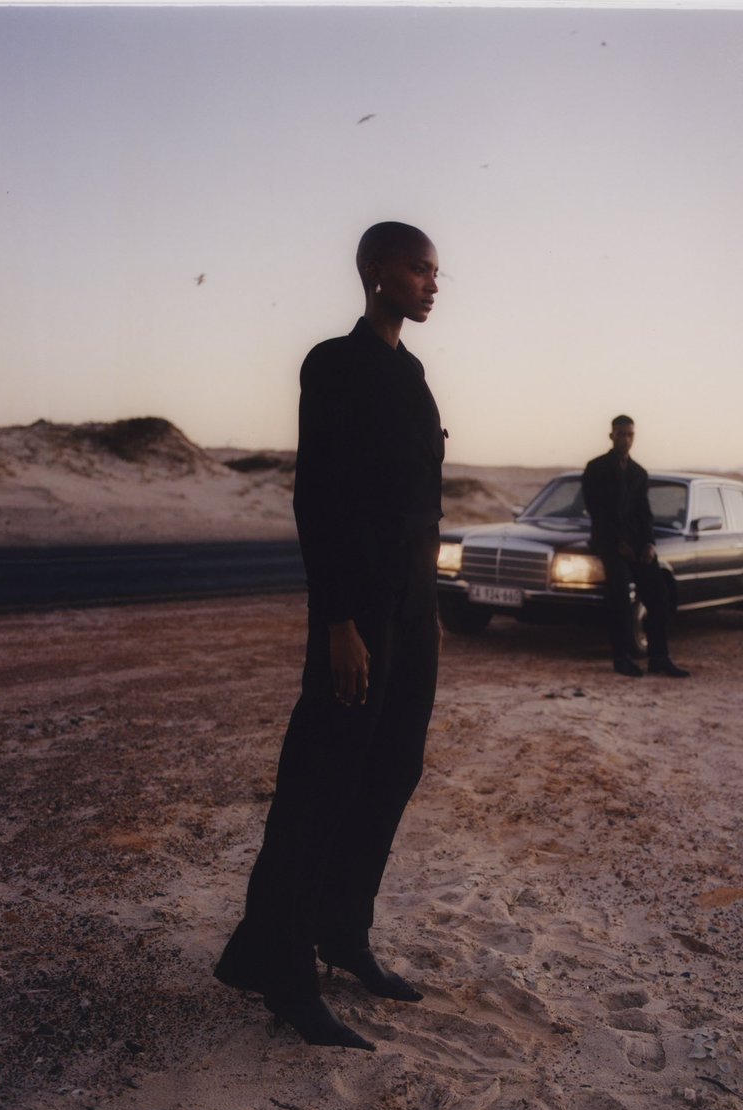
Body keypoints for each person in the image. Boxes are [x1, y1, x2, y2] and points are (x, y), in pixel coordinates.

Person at [213, 222, 445, 1051]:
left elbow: (418, 501)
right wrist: (339, 621)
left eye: (435, 271)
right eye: (418, 268)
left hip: (415, 608)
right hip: (358, 611)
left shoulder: (412, 373)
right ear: (375, 271)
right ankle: (280, 967)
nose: (432, 282)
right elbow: (320, 498)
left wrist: (428, 608)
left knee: (392, 769)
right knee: (323, 779)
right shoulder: (333, 363)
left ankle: (340, 935)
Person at [582, 416, 690, 679]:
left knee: (659, 595)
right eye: (621, 434)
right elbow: (597, 511)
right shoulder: (596, 468)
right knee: (619, 597)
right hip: (608, 542)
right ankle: (622, 657)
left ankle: (659, 657)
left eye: (630, 435)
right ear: (611, 436)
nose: (626, 439)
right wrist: (618, 544)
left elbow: (645, 512)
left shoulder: (639, 473)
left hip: (638, 543)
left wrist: (649, 544)